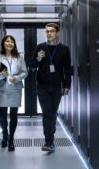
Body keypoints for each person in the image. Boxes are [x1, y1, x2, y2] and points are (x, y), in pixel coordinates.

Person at [30, 23, 71, 152]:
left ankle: (50, 139)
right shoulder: (40, 47)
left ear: (57, 33)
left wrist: (67, 85)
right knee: (47, 113)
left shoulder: (64, 49)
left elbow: (67, 69)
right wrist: (38, 58)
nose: (49, 34)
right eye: (47, 31)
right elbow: (32, 66)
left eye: (51, 31)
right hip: (42, 86)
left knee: (53, 113)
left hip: (56, 86)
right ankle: (49, 141)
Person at [0, 35, 28, 151]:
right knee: (2, 115)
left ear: (14, 44)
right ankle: (5, 134)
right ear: (3, 43)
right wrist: (1, 75)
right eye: (7, 41)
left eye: (12, 41)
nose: (9, 43)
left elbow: (25, 72)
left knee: (14, 115)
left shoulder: (19, 57)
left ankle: (11, 140)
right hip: (3, 89)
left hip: (15, 89)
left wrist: (17, 78)